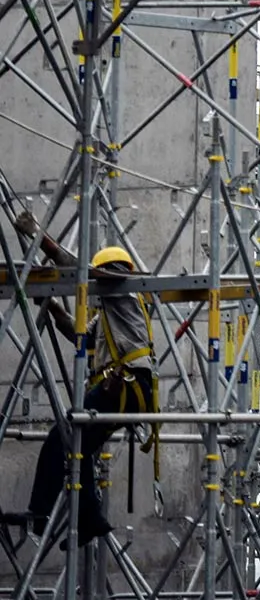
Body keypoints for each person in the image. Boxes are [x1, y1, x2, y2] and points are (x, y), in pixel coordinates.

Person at [10, 209, 155, 545]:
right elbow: (79, 337)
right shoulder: (109, 312)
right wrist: (50, 304)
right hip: (123, 389)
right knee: (79, 450)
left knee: (59, 439)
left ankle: (40, 510)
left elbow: (78, 271)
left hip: (124, 385)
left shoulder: (126, 294)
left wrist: (38, 235)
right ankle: (90, 519)